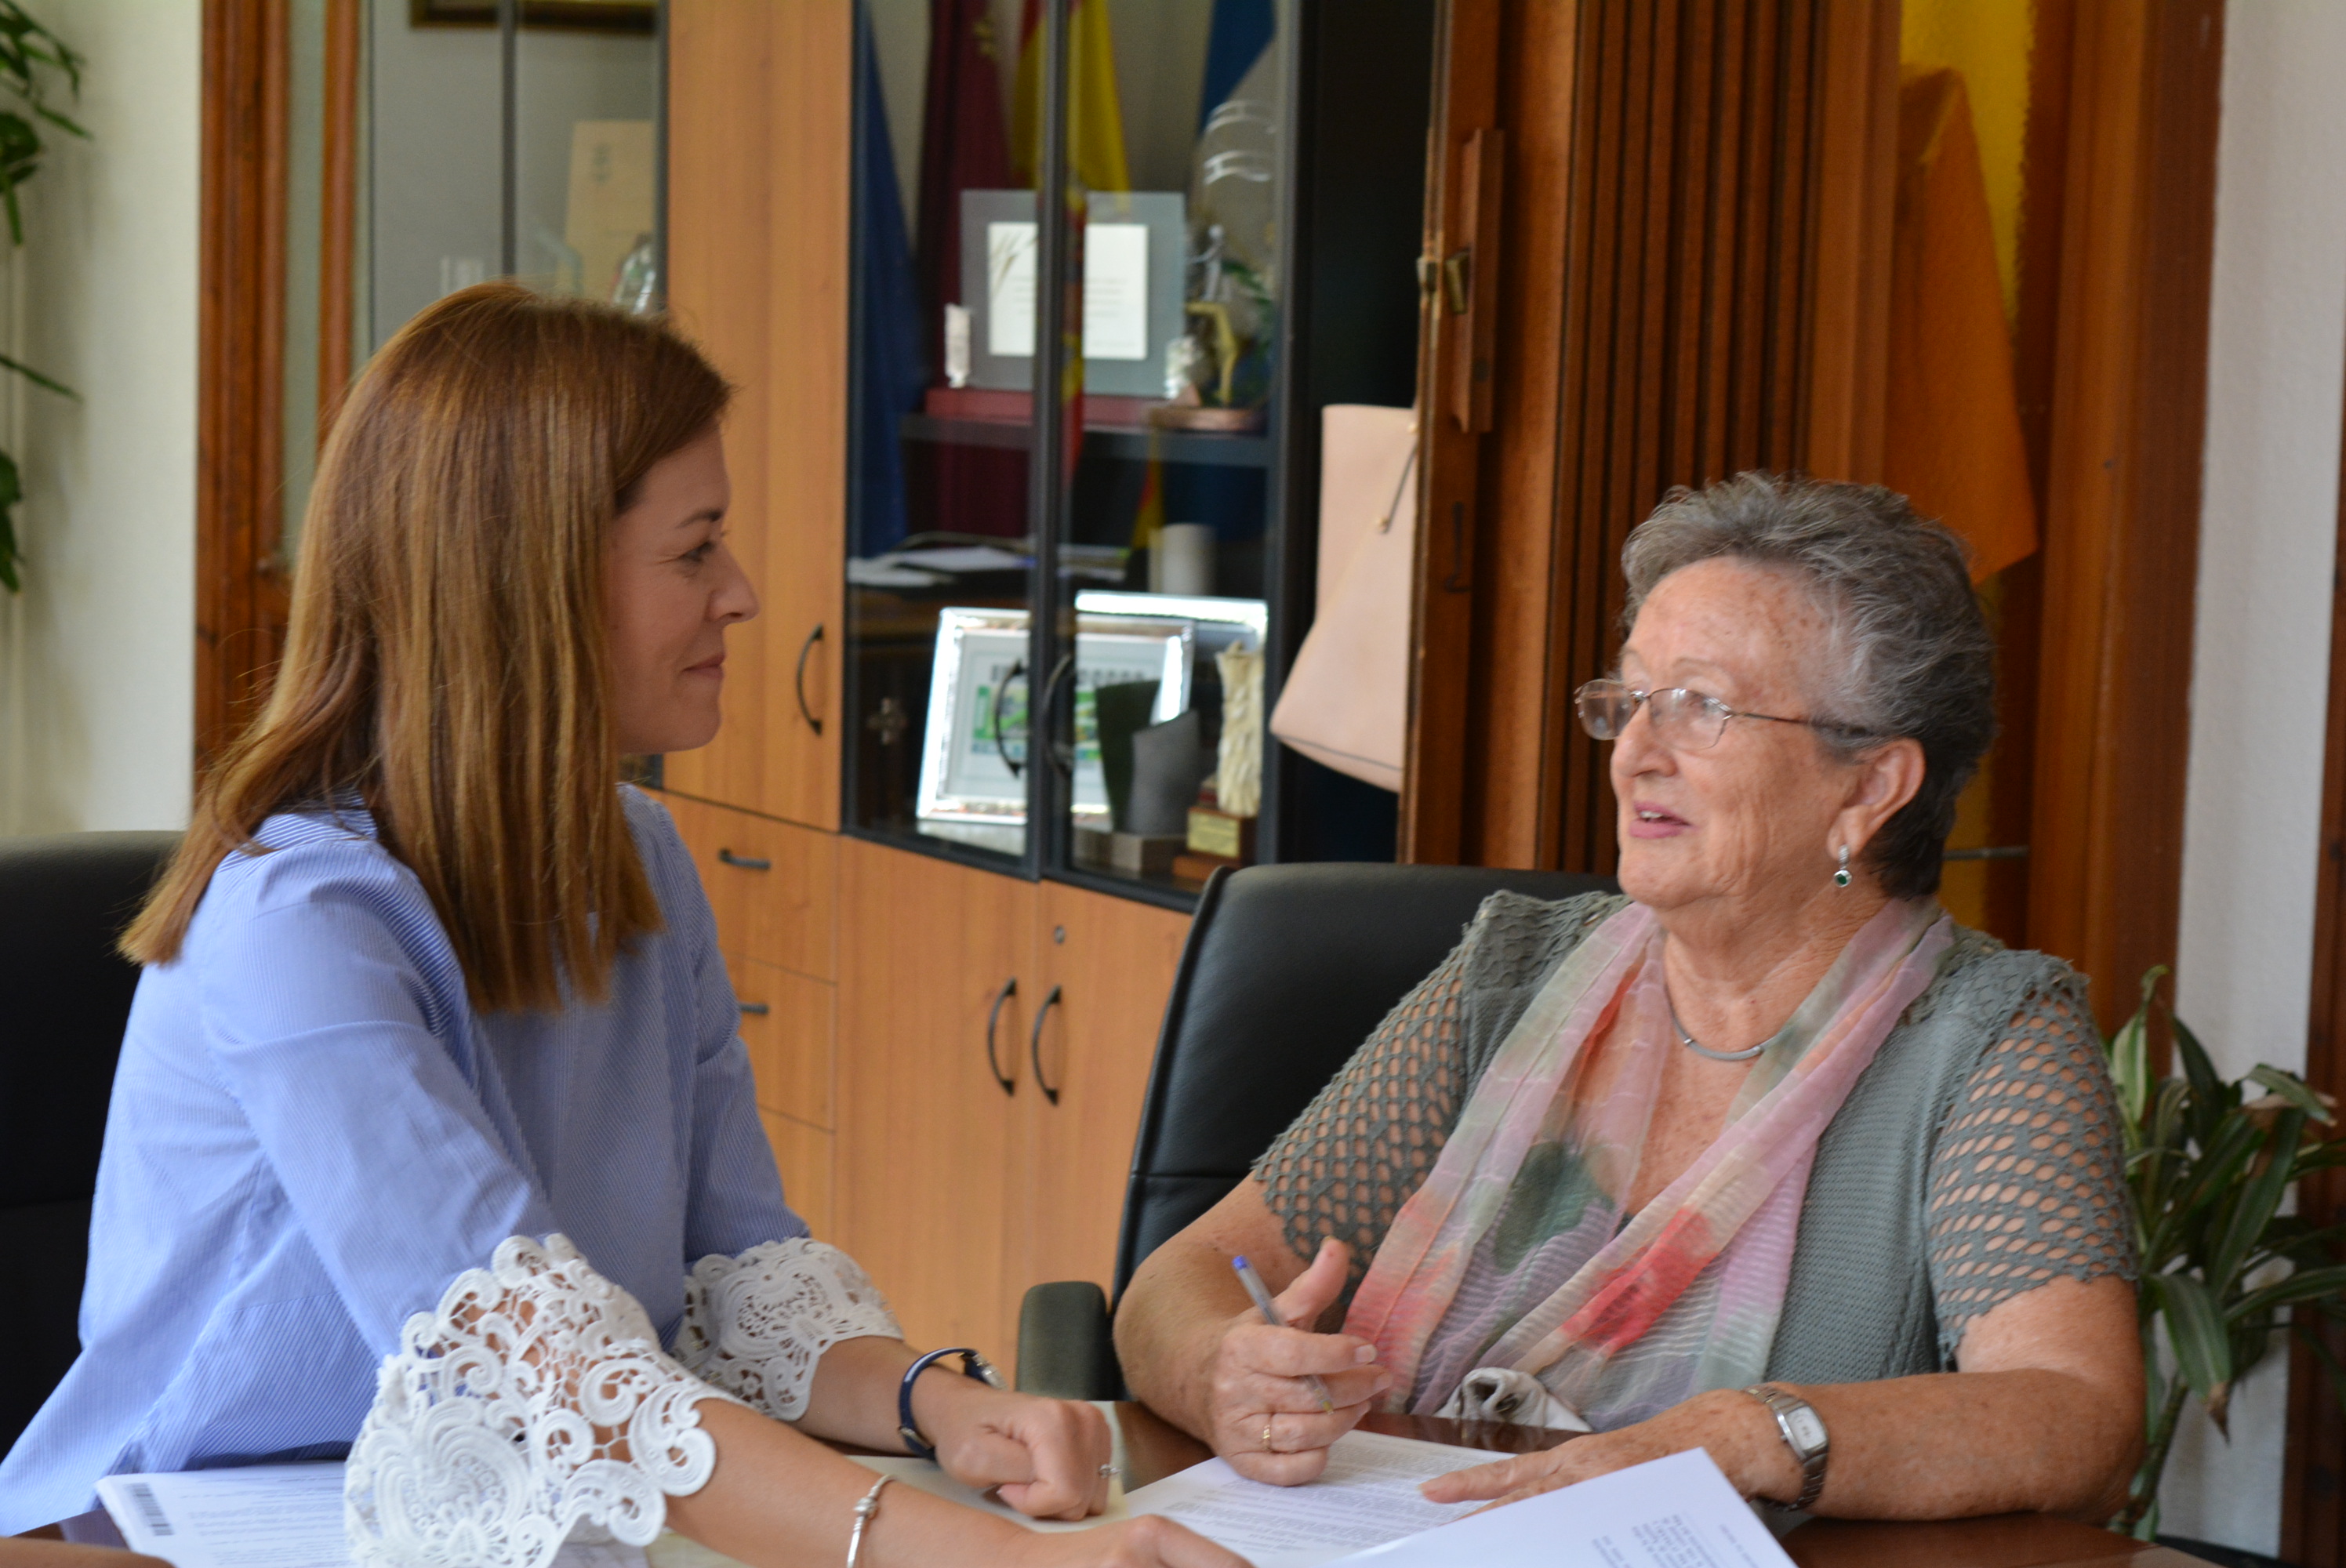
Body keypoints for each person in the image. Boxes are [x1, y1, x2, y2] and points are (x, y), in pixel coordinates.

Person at [0, 286, 1239, 1568]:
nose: (743, 593)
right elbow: (544, 1364)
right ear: (530, 577)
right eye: (697, 549)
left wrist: (944, 1403)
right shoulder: (295, 923)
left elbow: (735, 1271)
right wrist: (1013, 1562)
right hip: (151, 1541)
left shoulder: (638, 856)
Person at [1114, 474, 2142, 1521]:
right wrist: (1222, 1368)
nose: (1636, 755)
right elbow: (1190, 1273)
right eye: (1631, 700)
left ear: (1869, 786)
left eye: (1700, 707)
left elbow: (2078, 1412)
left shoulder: (1987, 1042)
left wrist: (1753, 1436)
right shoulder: (1510, 978)